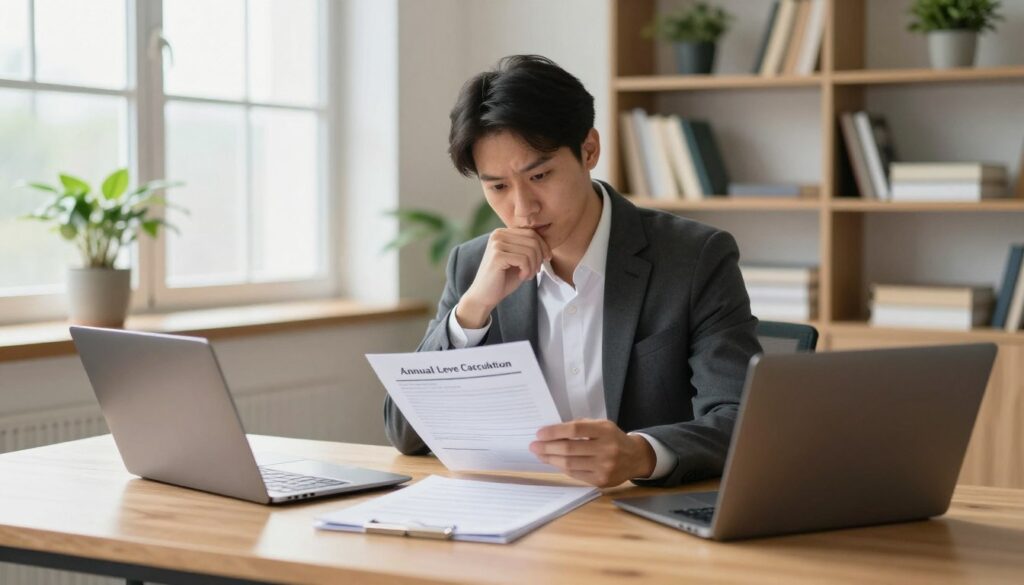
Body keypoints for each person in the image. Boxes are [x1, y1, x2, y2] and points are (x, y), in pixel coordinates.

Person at [384, 55, 761, 488]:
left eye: (540, 175)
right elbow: (405, 435)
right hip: (519, 517)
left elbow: (739, 418)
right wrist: (470, 313)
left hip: (642, 513)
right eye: (498, 187)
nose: (522, 209)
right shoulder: (474, 266)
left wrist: (640, 454)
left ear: (589, 150)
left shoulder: (694, 258)